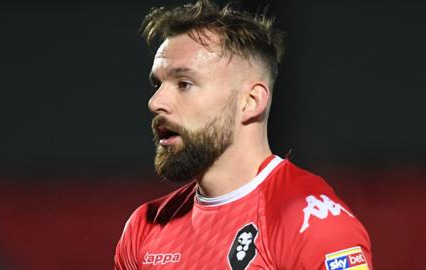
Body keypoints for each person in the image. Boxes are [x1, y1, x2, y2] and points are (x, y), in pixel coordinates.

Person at [115, 1, 373, 269]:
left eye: (184, 84)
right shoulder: (143, 229)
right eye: (158, 84)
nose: (156, 102)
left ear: (251, 101)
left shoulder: (313, 224)